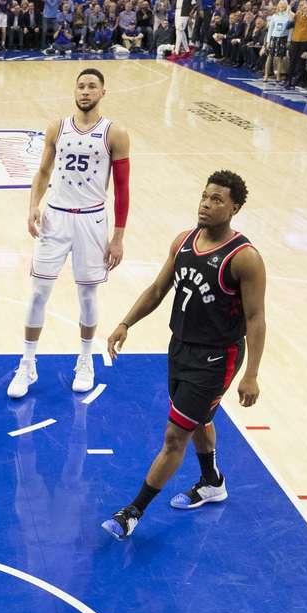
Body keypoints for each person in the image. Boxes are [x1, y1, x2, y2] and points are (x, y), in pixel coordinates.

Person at [101, 171, 266, 539]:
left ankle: (133, 512)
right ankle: (212, 482)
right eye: (205, 197)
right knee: (198, 422)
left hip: (217, 358)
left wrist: (251, 373)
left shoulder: (244, 258)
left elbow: (256, 318)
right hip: (180, 348)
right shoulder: (184, 241)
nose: (206, 204)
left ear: (235, 208)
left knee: (176, 436)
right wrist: (126, 323)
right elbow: (159, 288)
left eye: (217, 200)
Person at [8, 68, 132, 398]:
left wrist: (118, 236)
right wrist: (33, 205)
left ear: (103, 92)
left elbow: (122, 189)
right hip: (56, 217)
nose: (85, 91)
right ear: (74, 91)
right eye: (80, 86)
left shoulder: (115, 133)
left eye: (92, 86)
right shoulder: (57, 127)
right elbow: (43, 171)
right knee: (38, 292)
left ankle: (86, 360)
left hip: (92, 221)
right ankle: (28, 363)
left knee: (88, 294)